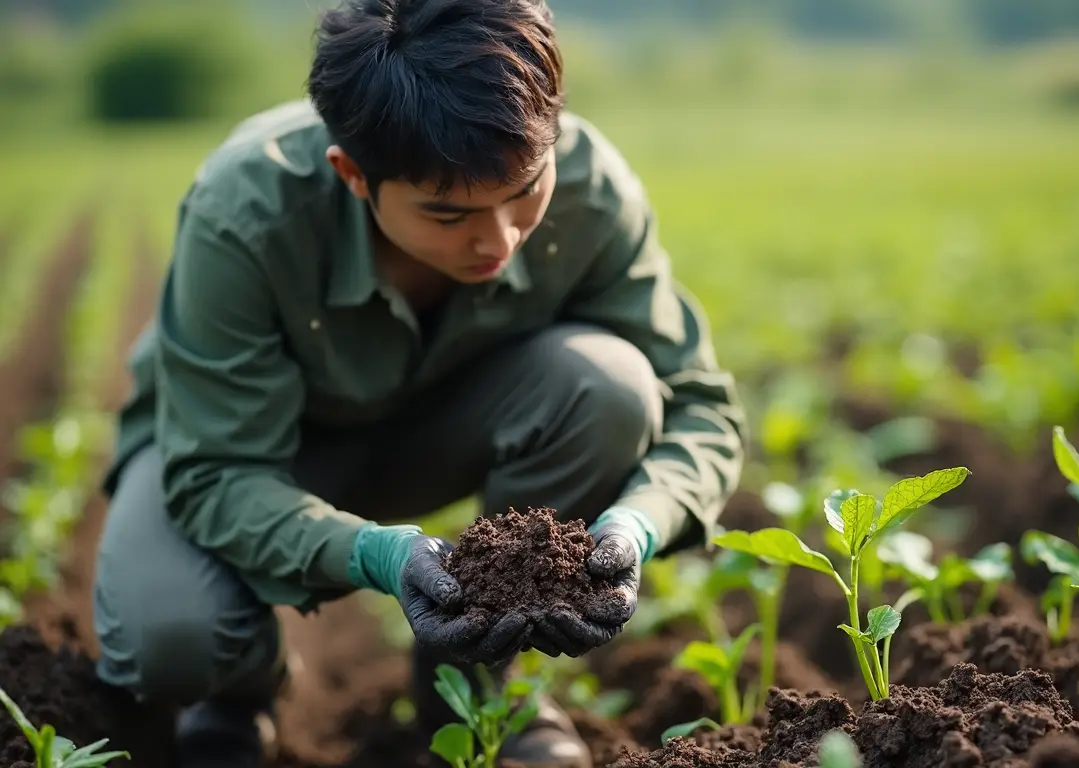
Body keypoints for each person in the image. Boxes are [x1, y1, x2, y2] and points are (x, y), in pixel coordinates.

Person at [91, 0, 746, 766]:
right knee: (170, 633)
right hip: (255, 455)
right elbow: (216, 473)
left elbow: (701, 407)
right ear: (354, 176)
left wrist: (636, 525)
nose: (499, 238)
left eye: (525, 189)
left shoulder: (593, 194)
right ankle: (238, 691)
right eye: (447, 213)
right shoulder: (246, 212)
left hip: (437, 434)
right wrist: (376, 555)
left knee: (610, 388)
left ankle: (476, 686)